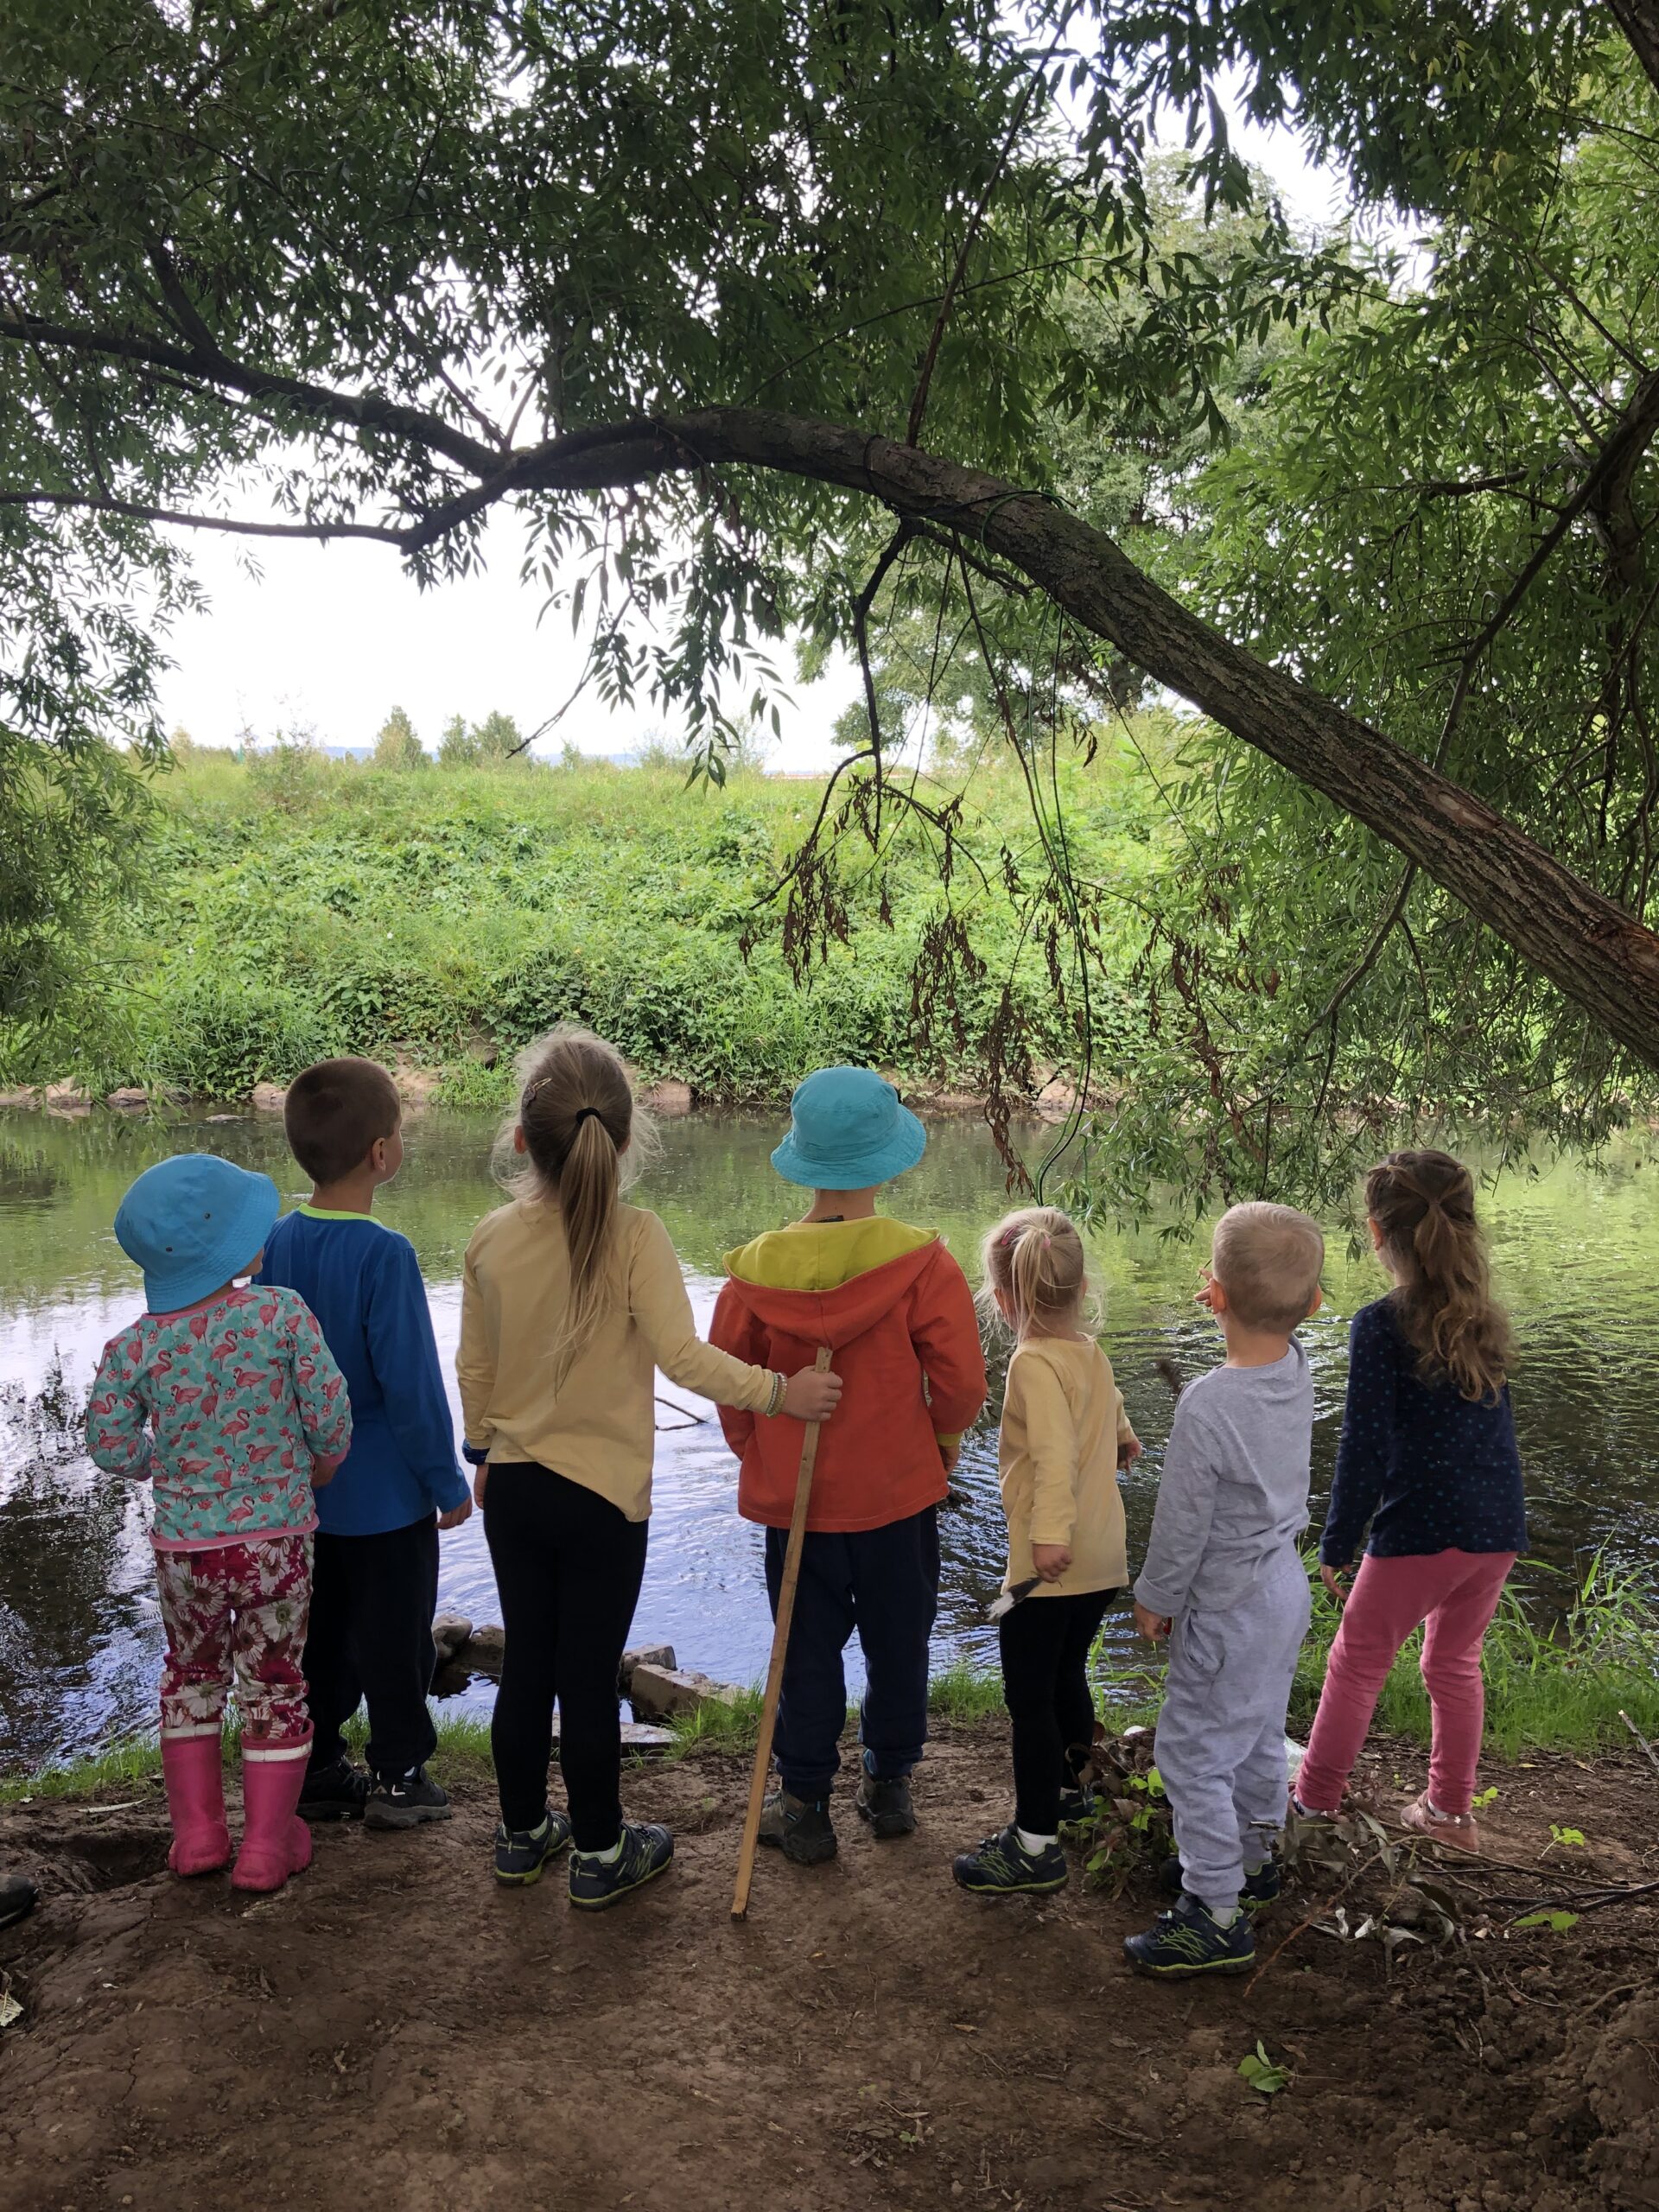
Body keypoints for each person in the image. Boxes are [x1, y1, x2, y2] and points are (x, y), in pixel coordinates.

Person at [458, 1027, 842, 1907]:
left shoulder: (488, 1236)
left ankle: (521, 1839)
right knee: (587, 1676)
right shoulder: (638, 1235)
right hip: (603, 1503)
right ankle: (600, 1853)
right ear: (627, 1141)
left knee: (527, 1670)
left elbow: (474, 1368)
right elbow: (685, 1358)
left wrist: (485, 1449)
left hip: (514, 1488)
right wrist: (785, 1391)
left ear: (522, 1139)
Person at [710, 1066, 987, 1866]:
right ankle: (890, 1784)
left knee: (803, 1652)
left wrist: (755, 1450)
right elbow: (963, 1382)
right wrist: (940, 1435)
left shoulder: (753, 1272)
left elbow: (730, 1382)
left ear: (801, 1157)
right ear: (886, 1165)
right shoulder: (923, 1264)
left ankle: (804, 1806)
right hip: (899, 1496)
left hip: (795, 1509)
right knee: (900, 1642)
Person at [86, 1154, 350, 1894]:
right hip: (275, 1543)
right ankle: (267, 1845)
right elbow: (330, 1415)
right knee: (273, 1682)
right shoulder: (282, 1313)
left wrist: (158, 1464)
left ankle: (199, 1834)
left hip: (185, 1554)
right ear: (233, 1249)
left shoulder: (137, 1344)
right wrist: (318, 1464)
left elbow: (106, 1444)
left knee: (192, 1677)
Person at [256, 1057, 473, 1833]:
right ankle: (400, 1777)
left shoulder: (274, 1244)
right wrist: (447, 1484)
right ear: (382, 1154)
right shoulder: (387, 1255)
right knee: (395, 1639)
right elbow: (411, 1386)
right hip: (386, 1497)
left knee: (324, 1634)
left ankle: (316, 1766)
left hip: (304, 1494)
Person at [1294, 1150, 1524, 1852]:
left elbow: (1363, 1448)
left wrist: (1337, 1543)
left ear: (1375, 1233)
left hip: (1422, 1528)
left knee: (1357, 1660)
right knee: (1452, 1661)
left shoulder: (1380, 1324)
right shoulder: (1484, 1318)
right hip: (1496, 1527)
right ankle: (1452, 1815)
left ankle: (1313, 1804)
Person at [1123, 1200, 1325, 1978]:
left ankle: (1213, 1912)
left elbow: (1181, 1523)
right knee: (1258, 1730)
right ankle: (1254, 1859)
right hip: (1283, 1589)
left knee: (1191, 1754)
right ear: (1309, 1307)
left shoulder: (1209, 1404)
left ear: (1212, 1293)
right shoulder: (1298, 1368)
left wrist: (1157, 1597)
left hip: (1230, 1605)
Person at [953, 1207, 1140, 1897]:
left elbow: (1055, 1455)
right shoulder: (1088, 1350)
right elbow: (1109, 1401)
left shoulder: (1032, 1362)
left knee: (1027, 1696)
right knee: (1066, 1672)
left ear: (1002, 1301)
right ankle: (1071, 1791)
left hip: (1049, 1562)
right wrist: (1122, 1435)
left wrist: (1047, 1537)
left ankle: (1033, 1845)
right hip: (1103, 1557)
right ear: (1083, 1285)